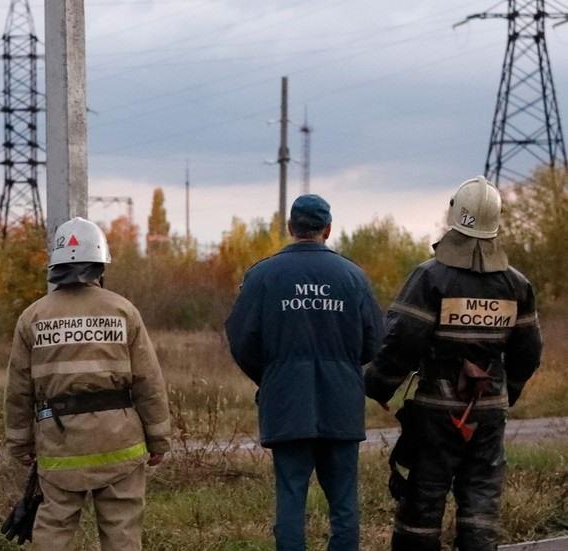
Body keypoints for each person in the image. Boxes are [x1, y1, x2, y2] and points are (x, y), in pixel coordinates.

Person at [365, 176, 543, 551]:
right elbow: (529, 352)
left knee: (424, 501)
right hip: (489, 413)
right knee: (480, 502)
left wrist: (379, 384)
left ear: (454, 216)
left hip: (437, 412)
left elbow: (402, 339)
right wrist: (504, 391)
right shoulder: (516, 285)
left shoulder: (430, 277)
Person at [225, 194, 383, 551]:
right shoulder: (353, 277)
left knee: (291, 499)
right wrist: (342, 368)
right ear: (328, 229)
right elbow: (374, 340)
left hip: (286, 403)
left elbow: (240, 338)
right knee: (344, 505)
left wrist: (272, 376)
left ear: (290, 228)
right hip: (341, 403)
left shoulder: (263, 275)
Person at [3, 216, 172, 551]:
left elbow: (19, 389)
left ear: (55, 266)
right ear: (99, 265)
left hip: (60, 443)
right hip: (120, 443)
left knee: (53, 526)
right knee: (122, 529)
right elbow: (148, 382)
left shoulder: (33, 317)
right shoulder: (123, 311)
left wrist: (20, 443)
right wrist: (159, 438)